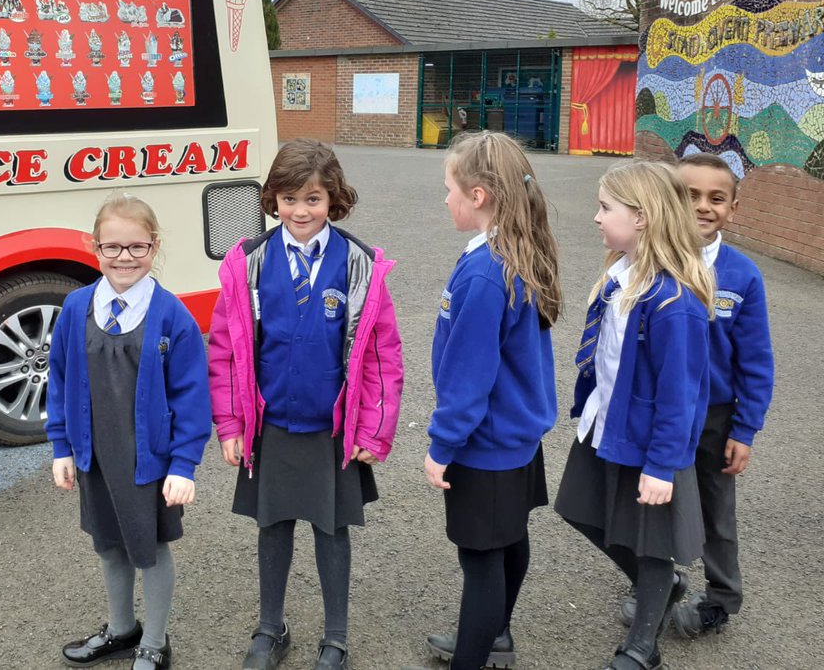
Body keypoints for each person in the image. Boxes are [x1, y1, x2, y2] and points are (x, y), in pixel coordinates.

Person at [209, 138, 404, 670]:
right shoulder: (247, 262)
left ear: (333, 200)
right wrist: (230, 423)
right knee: (271, 527)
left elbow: (383, 353)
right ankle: (271, 628)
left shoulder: (359, 263)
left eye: (313, 199)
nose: (300, 210)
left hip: (330, 429)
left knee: (330, 529)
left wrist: (374, 429)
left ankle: (335, 637)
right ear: (272, 199)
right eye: (289, 198)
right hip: (269, 425)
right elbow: (225, 350)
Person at [407, 132, 562, 670]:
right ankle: (495, 635)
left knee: (481, 562)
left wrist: (442, 445)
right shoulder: (512, 252)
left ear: (477, 195)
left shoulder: (484, 273)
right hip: (514, 438)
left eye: (449, 188)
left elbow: (469, 374)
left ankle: (475, 653)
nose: (444, 198)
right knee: (509, 542)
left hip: (485, 443)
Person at [553, 161, 713, 670]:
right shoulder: (619, 276)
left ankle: (642, 647)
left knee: (650, 544)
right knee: (578, 510)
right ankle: (663, 584)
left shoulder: (674, 301)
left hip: (647, 442)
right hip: (604, 425)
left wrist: (663, 465)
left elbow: (679, 393)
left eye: (606, 208)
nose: (597, 218)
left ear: (641, 218)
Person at [46, 193, 210, 670]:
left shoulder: (172, 316)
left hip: (149, 462)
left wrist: (184, 465)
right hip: (97, 456)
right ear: (93, 247)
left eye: (137, 248)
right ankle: (122, 629)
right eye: (112, 247)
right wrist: (62, 446)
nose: (124, 258)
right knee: (109, 543)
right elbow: (58, 380)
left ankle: (155, 643)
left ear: (154, 247)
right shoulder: (76, 308)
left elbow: (192, 397)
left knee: (150, 549)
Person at [625, 153, 771, 637]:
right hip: (659, 409)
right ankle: (652, 583)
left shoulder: (742, 275)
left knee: (714, 508)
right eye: (689, 195)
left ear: (733, 207)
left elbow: (755, 361)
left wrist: (744, 428)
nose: (703, 207)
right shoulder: (645, 263)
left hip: (714, 416)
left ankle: (722, 597)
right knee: (650, 499)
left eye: (716, 198)